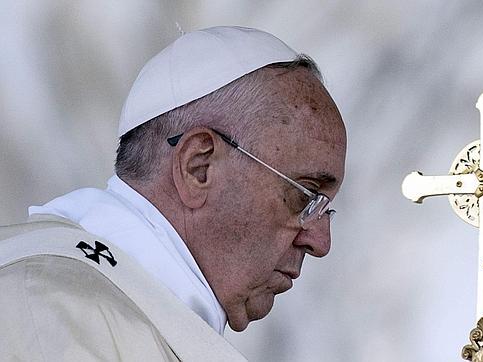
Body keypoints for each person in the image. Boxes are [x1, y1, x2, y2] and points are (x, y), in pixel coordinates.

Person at [0, 26, 346, 360]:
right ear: (199, 167)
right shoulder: (56, 315)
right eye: (306, 195)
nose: (320, 242)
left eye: (324, 209)